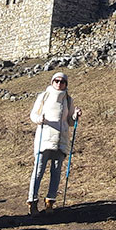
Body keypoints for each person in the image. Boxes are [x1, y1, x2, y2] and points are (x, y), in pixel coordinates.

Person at [27, 72, 81, 216]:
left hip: (61, 140)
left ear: (66, 84)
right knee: (38, 172)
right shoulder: (44, 96)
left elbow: (69, 121)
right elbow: (33, 115)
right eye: (56, 81)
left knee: (56, 173)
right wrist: (39, 119)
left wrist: (75, 117)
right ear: (52, 82)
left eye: (62, 82)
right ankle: (32, 202)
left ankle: (50, 202)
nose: (59, 84)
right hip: (44, 139)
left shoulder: (68, 100)